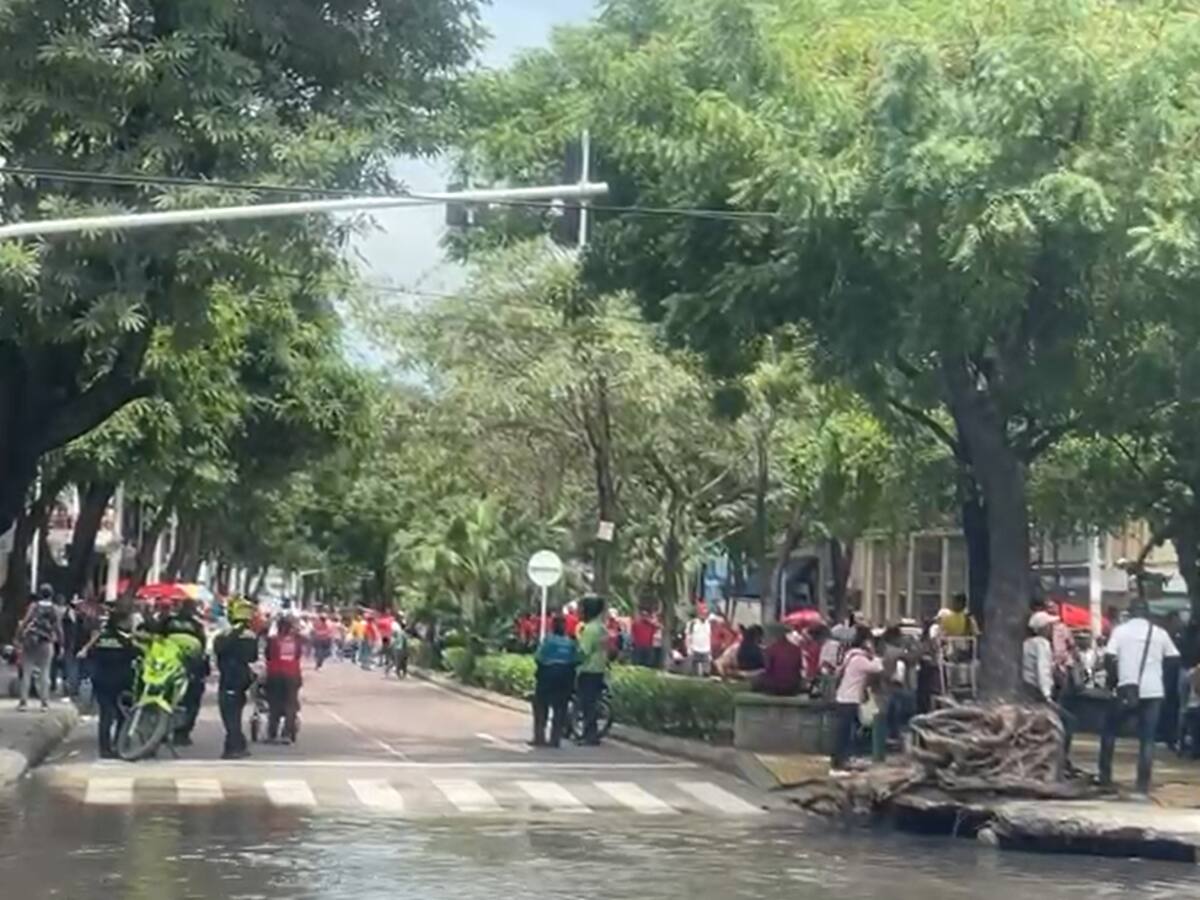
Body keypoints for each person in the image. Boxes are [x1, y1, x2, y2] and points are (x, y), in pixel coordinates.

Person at [1098, 598, 1180, 794]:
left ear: (1131, 612)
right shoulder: (1159, 633)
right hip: (1153, 690)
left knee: (1109, 732)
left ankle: (1105, 776)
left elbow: (1109, 658)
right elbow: (1174, 659)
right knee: (1147, 738)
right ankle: (1142, 783)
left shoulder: (1120, 631)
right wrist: (1160, 675)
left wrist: (1114, 679)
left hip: (1126, 687)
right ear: (1148, 614)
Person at [81, 605, 142, 758]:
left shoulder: (101, 637)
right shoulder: (125, 640)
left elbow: (90, 654)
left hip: (101, 680)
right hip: (120, 682)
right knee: (122, 714)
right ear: (121, 622)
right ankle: (119, 745)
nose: (130, 623)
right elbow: (135, 654)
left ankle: (105, 749)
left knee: (106, 715)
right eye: (128, 620)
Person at [1022, 610, 1077, 769]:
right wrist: (1047, 697)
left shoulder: (1027, 644)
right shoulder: (1042, 644)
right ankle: (1061, 761)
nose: (1052, 629)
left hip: (1028, 691)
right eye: (1049, 626)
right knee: (1068, 722)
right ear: (1043, 628)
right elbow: (1042, 671)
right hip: (1038, 694)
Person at [831, 626, 883, 774]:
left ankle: (844, 759)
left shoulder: (850, 655)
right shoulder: (860, 659)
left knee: (846, 732)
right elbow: (878, 667)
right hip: (850, 699)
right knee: (844, 733)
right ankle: (838, 764)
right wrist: (874, 653)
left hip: (844, 697)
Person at [157, 598, 208, 745]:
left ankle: (161, 733)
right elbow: (201, 648)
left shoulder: (167, 622)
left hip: (167, 666)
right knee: (190, 702)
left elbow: (158, 640)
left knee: (165, 699)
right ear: (192, 610)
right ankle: (182, 734)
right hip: (190, 668)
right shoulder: (197, 626)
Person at [213, 600, 259, 760]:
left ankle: (233, 746)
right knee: (234, 712)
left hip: (229, 677)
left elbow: (217, 651)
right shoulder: (250, 636)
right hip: (241, 678)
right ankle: (237, 744)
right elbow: (253, 657)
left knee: (229, 713)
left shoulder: (223, 634)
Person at [531, 615, 578, 747]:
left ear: (552, 626)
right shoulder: (570, 642)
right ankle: (555, 739)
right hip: (565, 676)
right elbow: (576, 659)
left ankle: (539, 737)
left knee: (541, 705)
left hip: (547, 675)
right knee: (560, 708)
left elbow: (539, 657)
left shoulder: (548, 641)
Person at [17, 585, 62, 711]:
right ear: (51, 595)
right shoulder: (55, 609)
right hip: (46, 642)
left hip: (30, 642)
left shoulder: (34, 606)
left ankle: (23, 703)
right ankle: (44, 703)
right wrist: (61, 644)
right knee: (45, 672)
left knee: (27, 672)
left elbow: (25, 621)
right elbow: (58, 628)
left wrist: (18, 637)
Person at [575, 594, 608, 745]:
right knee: (592, 703)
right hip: (599, 669)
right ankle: (590, 734)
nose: (578, 611)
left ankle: (590, 735)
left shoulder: (589, 630)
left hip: (587, 670)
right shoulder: (601, 627)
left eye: (581, 608)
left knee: (587, 704)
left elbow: (583, 652)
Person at [265, 615, 303, 742]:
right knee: (291, 704)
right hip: (292, 674)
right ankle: (286, 733)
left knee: (274, 703)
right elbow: (298, 655)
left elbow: (268, 656)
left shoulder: (272, 640)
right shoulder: (296, 641)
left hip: (275, 674)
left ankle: (272, 733)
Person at [752, 625, 805, 696]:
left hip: (775, 687)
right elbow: (799, 667)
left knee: (756, 680)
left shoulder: (771, 649)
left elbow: (767, 668)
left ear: (774, 636)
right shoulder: (796, 649)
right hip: (793, 687)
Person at [685, 608, 713, 677]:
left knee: (706, 673)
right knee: (692, 672)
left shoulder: (709, 623)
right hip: (694, 649)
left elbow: (709, 637)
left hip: (706, 649)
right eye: (703, 613)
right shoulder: (692, 623)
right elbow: (688, 636)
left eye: (706, 614)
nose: (704, 615)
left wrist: (710, 651)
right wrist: (688, 648)